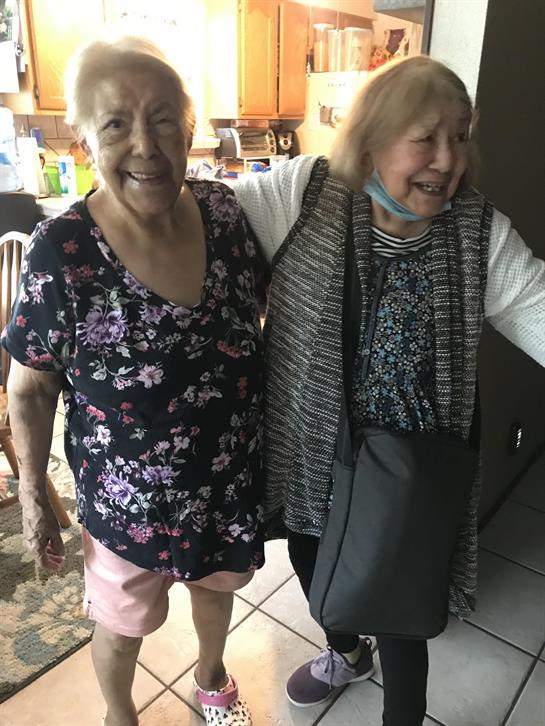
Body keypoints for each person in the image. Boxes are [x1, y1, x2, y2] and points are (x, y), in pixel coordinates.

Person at [234, 55, 545, 725]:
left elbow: (535, 306)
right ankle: (345, 653)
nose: (449, 159)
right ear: (371, 139)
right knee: (313, 562)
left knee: (403, 616)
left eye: (459, 136)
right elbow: (201, 227)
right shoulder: (303, 194)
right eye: (426, 137)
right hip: (312, 454)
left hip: (408, 472)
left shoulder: (476, 232)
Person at [2, 36, 267, 726]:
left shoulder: (224, 214)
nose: (145, 146)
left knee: (215, 595)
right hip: (126, 506)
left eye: (163, 121)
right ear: (86, 140)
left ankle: (211, 679)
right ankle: (119, 716)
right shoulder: (62, 250)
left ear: (189, 131)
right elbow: (29, 389)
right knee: (121, 628)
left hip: (223, 483)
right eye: (116, 123)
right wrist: (33, 498)